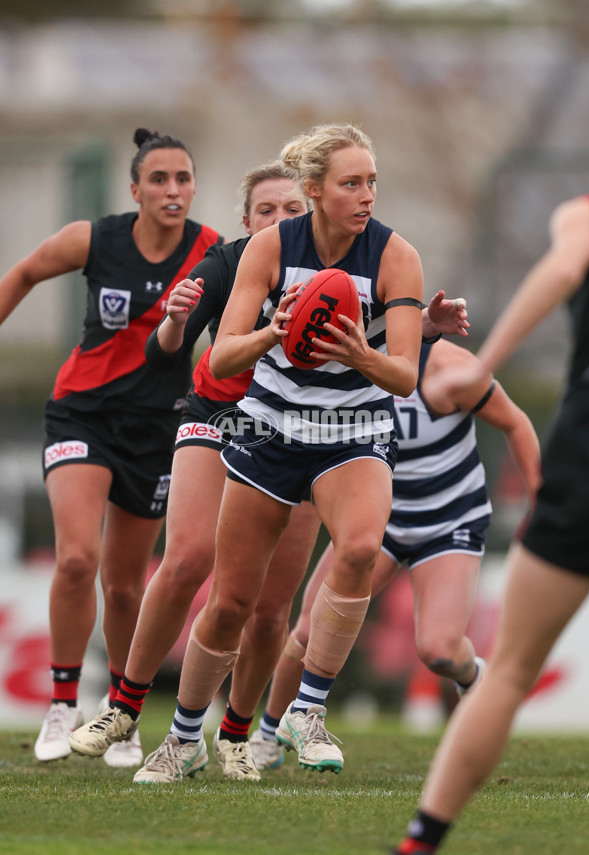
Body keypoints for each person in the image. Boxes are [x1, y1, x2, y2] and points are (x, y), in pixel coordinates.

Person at [68, 156, 469, 783]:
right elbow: (179, 353)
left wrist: (414, 332)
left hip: (330, 428)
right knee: (191, 565)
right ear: (248, 219)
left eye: (290, 209)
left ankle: (243, 732)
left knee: (272, 604)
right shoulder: (240, 258)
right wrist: (177, 319)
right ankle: (128, 706)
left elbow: (384, 354)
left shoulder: (383, 255)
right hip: (230, 414)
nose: (282, 220)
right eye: (268, 210)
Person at [0, 128, 224, 766]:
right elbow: (23, 272)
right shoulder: (95, 239)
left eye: (182, 179)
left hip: (158, 432)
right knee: (76, 558)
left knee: (127, 586)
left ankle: (118, 719)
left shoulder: (213, 252)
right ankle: (62, 703)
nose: (172, 190)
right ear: (135, 189)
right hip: (83, 414)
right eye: (159, 179)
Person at [393, 192, 589, 854]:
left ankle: (421, 840)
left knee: (508, 671)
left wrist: (487, 361)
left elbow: (564, 271)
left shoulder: (585, 213)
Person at [249, 337, 540, 770]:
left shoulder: (447, 370)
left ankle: (473, 675)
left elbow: (516, 423)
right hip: (378, 517)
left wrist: (539, 500)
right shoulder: (345, 360)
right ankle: (269, 735)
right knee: (308, 629)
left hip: (449, 521)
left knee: (439, 650)